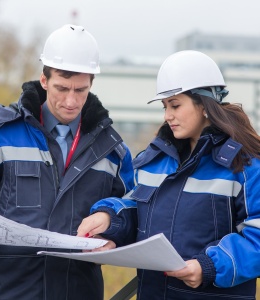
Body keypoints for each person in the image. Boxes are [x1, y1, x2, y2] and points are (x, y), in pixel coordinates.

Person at [0, 24, 134, 300]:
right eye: (62, 88)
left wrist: (112, 221)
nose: (70, 101)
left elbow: (134, 208)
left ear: (91, 83)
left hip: (77, 291)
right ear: (43, 80)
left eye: (81, 90)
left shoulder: (113, 151)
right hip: (2, 292)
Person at [77, 50, 260, 299]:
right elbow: (138, 208)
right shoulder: (154, 161)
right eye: (165, 107)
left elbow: (257, 237)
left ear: (204, 105)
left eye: (175, 105)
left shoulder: (246, 165)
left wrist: (210, 267)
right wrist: (110, 219)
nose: (167, 116)